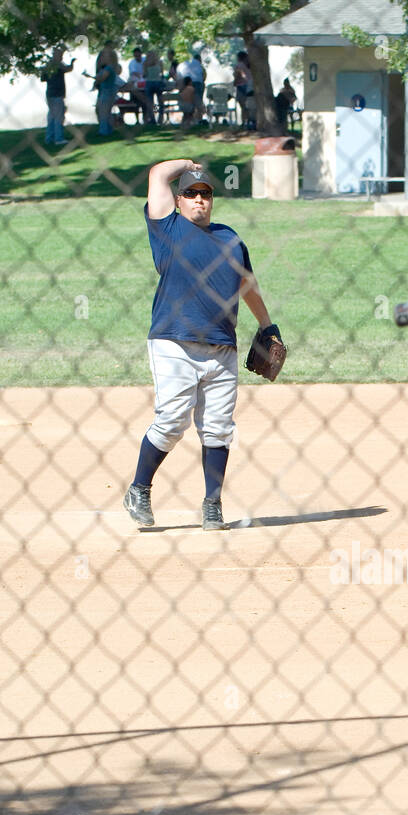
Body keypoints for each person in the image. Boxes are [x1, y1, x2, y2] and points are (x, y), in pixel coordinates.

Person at [123, 160, 283, 532]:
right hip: (173, 342)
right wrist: (189, 165)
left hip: (222, 348)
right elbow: (157, 175)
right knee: (172, 421)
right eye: (191, 193)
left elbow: (247, 285)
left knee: (218, 429)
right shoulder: (168, 229)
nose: (199, 199)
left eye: (206, 194)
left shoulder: (230, 239)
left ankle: (213, 504)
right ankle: (139, 489)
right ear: (178, 200)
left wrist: (267, 325)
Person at [41, 46, 74, 147]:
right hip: (57, 94)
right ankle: (58, 138)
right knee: (59, 117)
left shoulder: (48, 65)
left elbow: (43, 78)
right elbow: (68, 69)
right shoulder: (57, 64)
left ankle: (49, 138)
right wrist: (72, 62)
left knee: (51, 117)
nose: (61, 57)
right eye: (60, 55)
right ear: (56, 55)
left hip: (49, 94)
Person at [94, 45, 121, 135]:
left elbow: (102, 78)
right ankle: (108, 129)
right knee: (105, 111)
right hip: (106, 91)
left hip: (107, 92)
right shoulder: (107, 68)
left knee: (104, 112)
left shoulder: (109, 68)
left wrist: (96, 78)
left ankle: (104, 130)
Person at [143, 48, 165, 124]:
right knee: (160, 101)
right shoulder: (159, 62)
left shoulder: (145, 63)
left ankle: (152, 118)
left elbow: (144, 74)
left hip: (149, 83)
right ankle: (160, 118)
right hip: (158, 82)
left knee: (151, 102)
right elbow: (162, 73)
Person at [233, 54, 253, 127]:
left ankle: (244, 122)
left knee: (243, 106)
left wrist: (235, 82)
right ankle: (249, 121)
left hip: (241, 86)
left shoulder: (239, 65)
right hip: (250, 86)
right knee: (248, 106)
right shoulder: (250, 66)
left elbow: (238, 74)